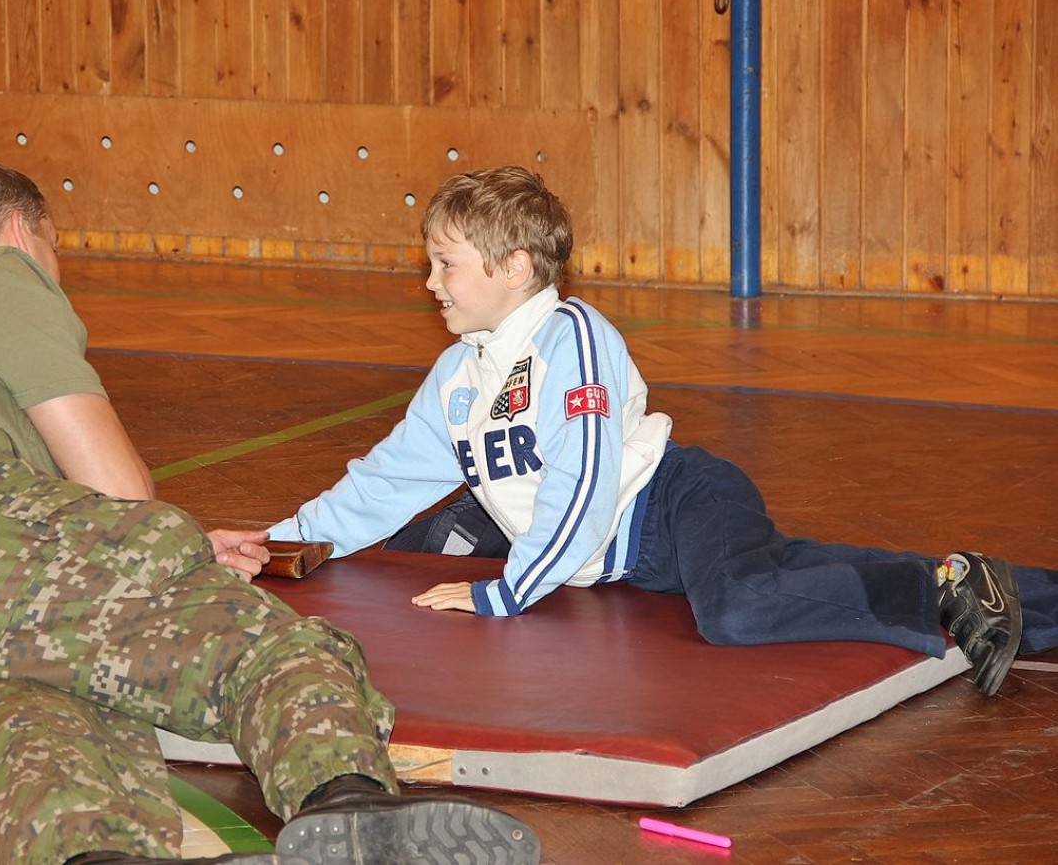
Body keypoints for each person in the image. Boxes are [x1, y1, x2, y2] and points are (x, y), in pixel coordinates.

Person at [0, 159, 540, 865]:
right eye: (53, 246)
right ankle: (347, 801)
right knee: (262, 646)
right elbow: (115, 492)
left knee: (39, 738)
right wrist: (174, 551)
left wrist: (184, 542)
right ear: (20, 230)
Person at [270, 164, 1058, 699]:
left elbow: (582, 483)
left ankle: (946, 588)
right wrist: (279, 544)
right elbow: (388, 478)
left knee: (739, 608)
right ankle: (1008, 589)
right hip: (631, 554)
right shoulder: (459, 372)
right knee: (789, 572)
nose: (429, 281)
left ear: (514, 268)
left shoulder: (571, 338)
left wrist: (509, 591)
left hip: (677, 502)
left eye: (445, 263)